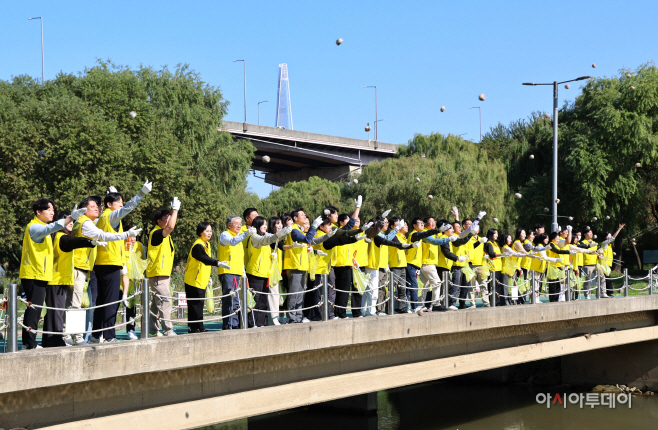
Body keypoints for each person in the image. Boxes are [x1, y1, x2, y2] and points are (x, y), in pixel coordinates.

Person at [20, 198, 85, 349]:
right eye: (49, 209)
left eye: (53, 210)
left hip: (41, 275)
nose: (52, 212)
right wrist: (71, 217)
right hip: (33, 274)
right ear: (38, 212)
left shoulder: (44, 227)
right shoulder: (34, 227)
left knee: (36, 310)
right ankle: (29, 343)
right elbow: (52, 228)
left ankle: (31, 342)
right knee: (34, 309)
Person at [90, 182, 151, 344]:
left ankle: (96, 335)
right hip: (111, 263)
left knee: (102, 301)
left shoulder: (102, 217)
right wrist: (141, 194)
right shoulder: (111, 215)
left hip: (101, 263)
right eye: (119, 202)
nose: (122, 205)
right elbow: (128, 208)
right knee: (111, 301)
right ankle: (110, 336)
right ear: (109, 204)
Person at [43, 210, 102, 348]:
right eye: (67, 219)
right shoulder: (61, 236)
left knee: (64, 307)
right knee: (71, 306)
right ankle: (74, 337)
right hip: (62, 277)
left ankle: (64, 336)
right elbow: (73, 242)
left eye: (72, 219)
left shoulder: (61, 235)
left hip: (65, 276)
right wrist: (90, 242)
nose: (71, 222)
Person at [246, 216, 292, 327]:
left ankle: (261, 323)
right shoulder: (254, 237)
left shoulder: (266, 236)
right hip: (255, 273)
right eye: (263, 225)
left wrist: (282, 233)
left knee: (263, 301)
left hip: (266, 274)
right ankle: (253, 324)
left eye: (266, 225)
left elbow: (272, 238)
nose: (265, 227)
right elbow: (264, 240)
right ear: (257, 226)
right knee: (256, 301)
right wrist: (276, 235)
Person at [184, 222, 230, 332]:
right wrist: (217, 263)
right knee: (195, 305)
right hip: (193, 280)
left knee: (199, 304)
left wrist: (209, 276)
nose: (210, 233)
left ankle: (195, 327)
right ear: (200, 232)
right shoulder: (198, 245)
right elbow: (204, 259)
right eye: (207, 231)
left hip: (202, 279)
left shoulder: (206, 244)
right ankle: (197, 327)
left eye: (210, 231)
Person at [146, 198, 180, 337]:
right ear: (158, 221)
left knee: (156, 303)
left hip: (162, 274)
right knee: (165, 300)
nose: (170, 220)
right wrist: (175, 209)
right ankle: (168, 330)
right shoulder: (157, 233)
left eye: (170, 218)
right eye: (166, 218)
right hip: (157, 274)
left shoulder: (166, 236)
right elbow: (170, 227)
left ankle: (152, 330)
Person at [219, 215, 254, 330]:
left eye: (240, 223)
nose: (239, 225)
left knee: (236, 301)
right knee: (230, 300)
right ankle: (228, 325)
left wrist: (243, 273)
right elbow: (232, 242)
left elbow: (239, 257)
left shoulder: (239, 237)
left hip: (238, 273)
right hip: (228, 272)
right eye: (236, 223)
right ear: (229, 225)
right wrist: (245, 234)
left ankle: (234, 324)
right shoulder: (225, 235)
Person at [405, 218, 441, 312]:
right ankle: (419, 306)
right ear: (414, 225)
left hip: (418, 264)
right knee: (414, 285)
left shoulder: (422, 234)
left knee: (421, 286)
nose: (422, 225)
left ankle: (419, 305)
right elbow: (435, 241)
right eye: (420, 223)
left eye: (435, 222)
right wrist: (440, 231)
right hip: (416, 263)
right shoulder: (416, 234)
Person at [121, 230, 144, 339]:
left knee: (132, 307)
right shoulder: (122, 245)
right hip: (120, 282)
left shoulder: (139, 246)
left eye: (135, 236)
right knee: (115, 306)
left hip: (133, 283)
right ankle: (105, 333)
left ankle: (131, 329)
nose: (133, 238)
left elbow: (143, 261)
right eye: (131, 236)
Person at [483, 228, 503, 306]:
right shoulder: (489, 243)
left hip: (498, 268)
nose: (497, 235)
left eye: (497, 234)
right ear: (491, 234)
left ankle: (497, 302)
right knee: (493, 287)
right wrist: (502, 254)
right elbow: (491, 254)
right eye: (495, 234)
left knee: (498, 287)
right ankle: (493, 302)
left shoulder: (496, 243)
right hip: (492, 268)